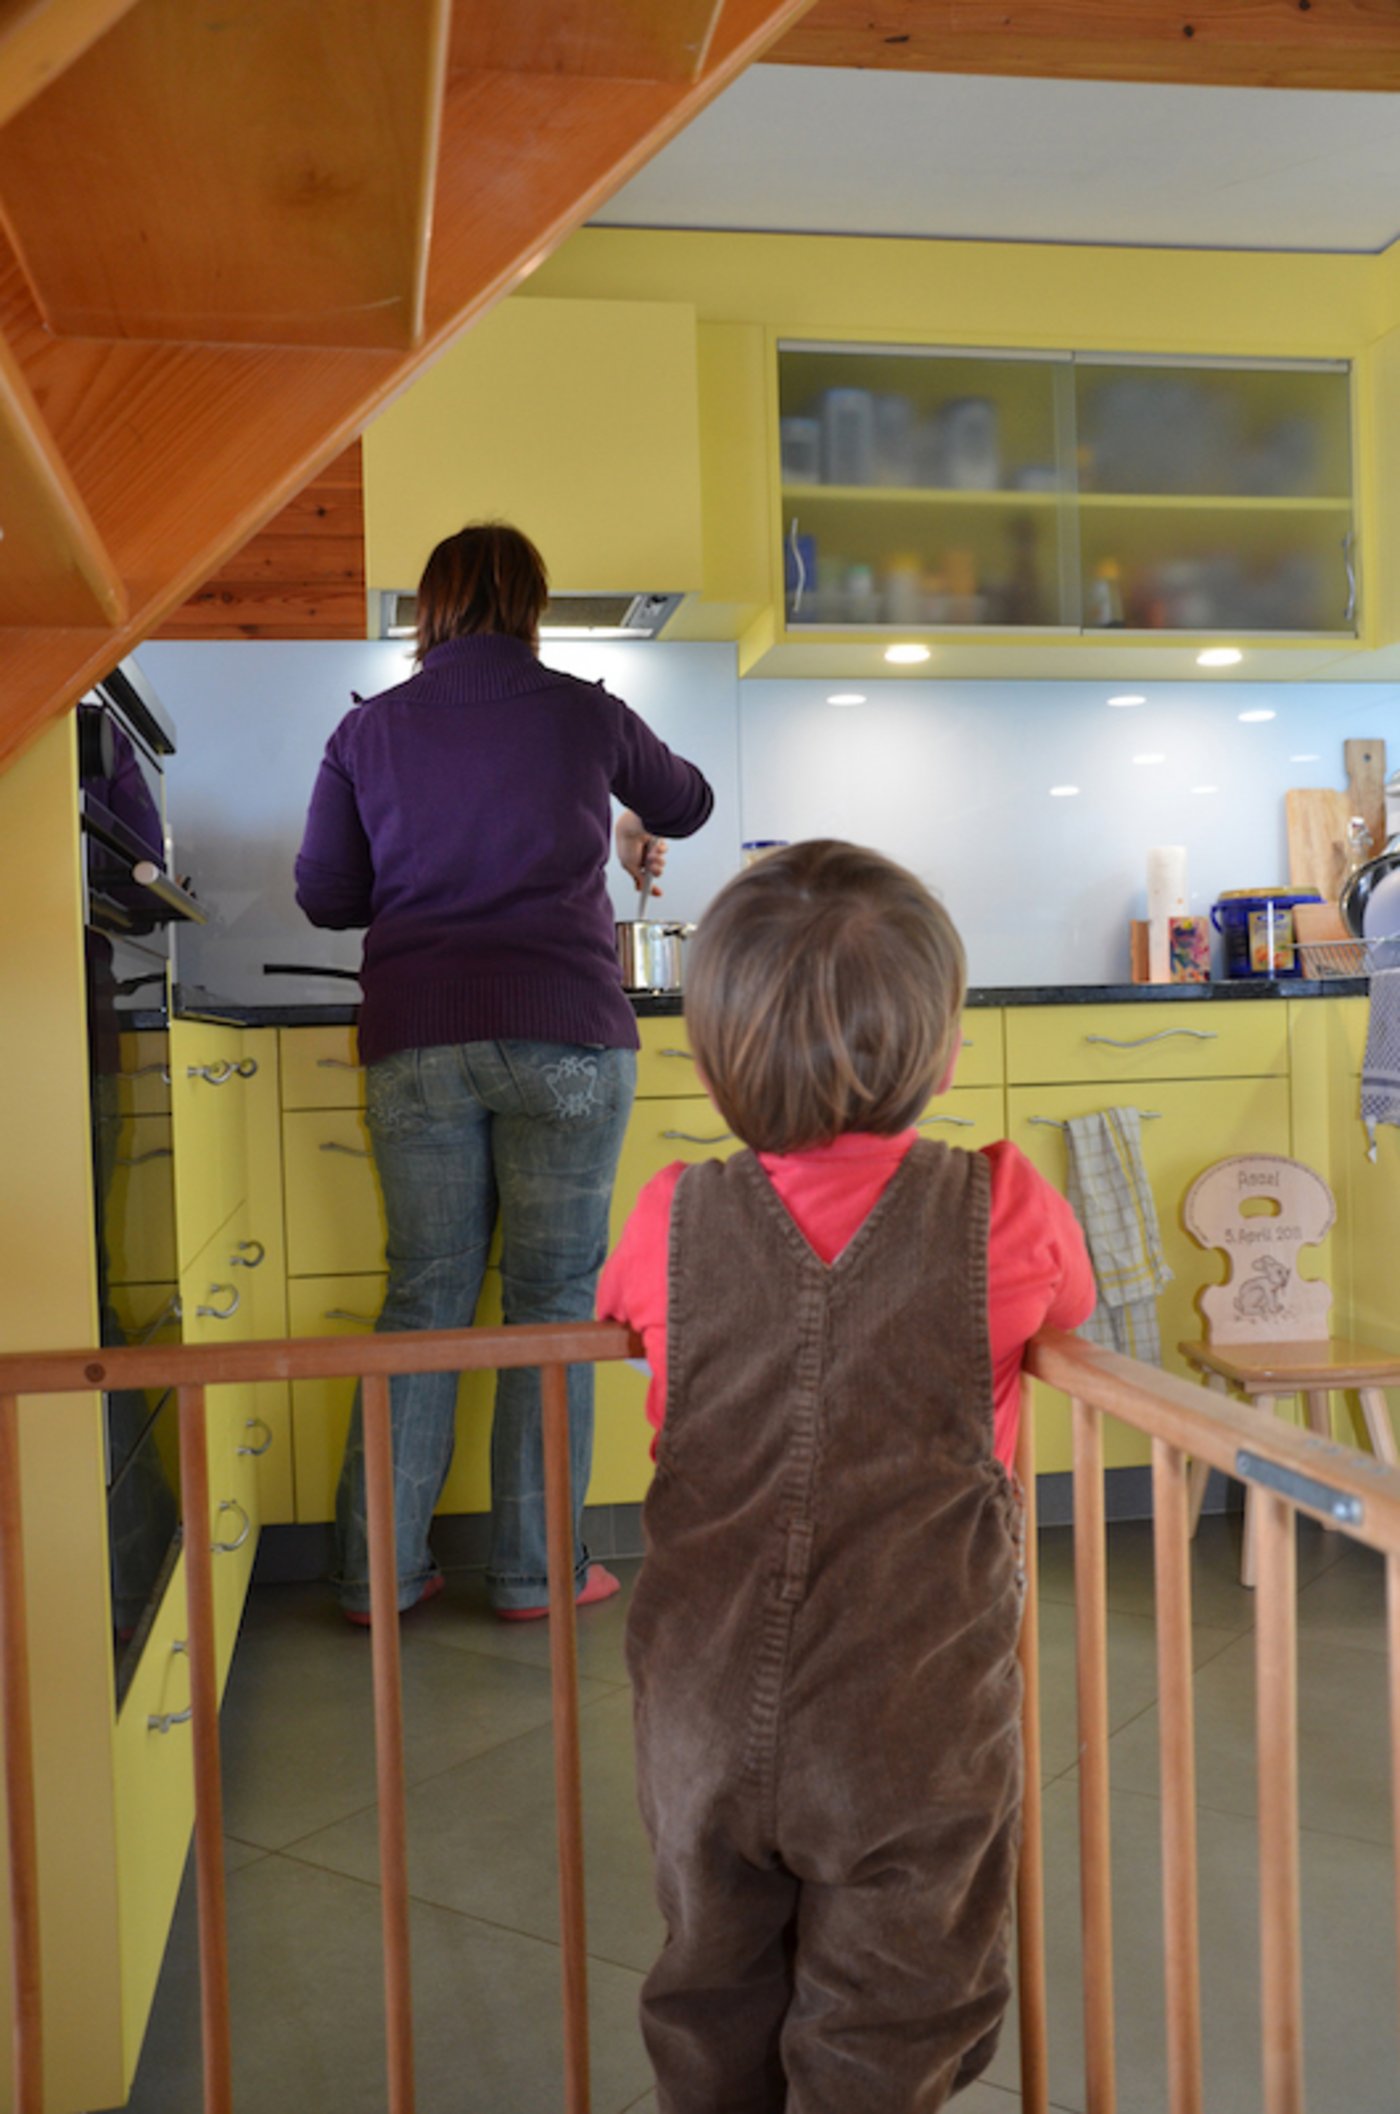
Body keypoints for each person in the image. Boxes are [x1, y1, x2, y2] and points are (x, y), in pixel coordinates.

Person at [597, 840, 1095, 2114]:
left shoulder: (668, 1215)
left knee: (707, 1982)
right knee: (894, 2004)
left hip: (700, 1703)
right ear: (943, 1054)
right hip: (912, 1710)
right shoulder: (1002, 1206)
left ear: (711, 1063)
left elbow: (628, 1322)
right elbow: (1071, 1309)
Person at [294, 520, 714, 1622]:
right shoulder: (585, 710)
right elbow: (689, 802)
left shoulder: (367, 730)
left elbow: (327, 895)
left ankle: (377, 1574)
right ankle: (537, 1572)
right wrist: (623, 811)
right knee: (551, 1305)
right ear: (531, 606)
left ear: (429, 608)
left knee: (424, 1302)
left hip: (417, 1038)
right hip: (565, 1032)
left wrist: (418, 867)